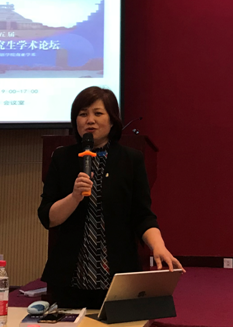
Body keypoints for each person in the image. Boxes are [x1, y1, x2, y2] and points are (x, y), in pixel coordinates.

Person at [38, 86, 183, 309]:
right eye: (83, 114)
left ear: (113, 120)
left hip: (118, 274)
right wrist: (74, 197)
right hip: (70, 277)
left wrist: (158, 246)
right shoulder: (62, 157)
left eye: (98, 113)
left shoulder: (131, 160)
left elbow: (142, 215)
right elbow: (48, 218)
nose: (90, 120)